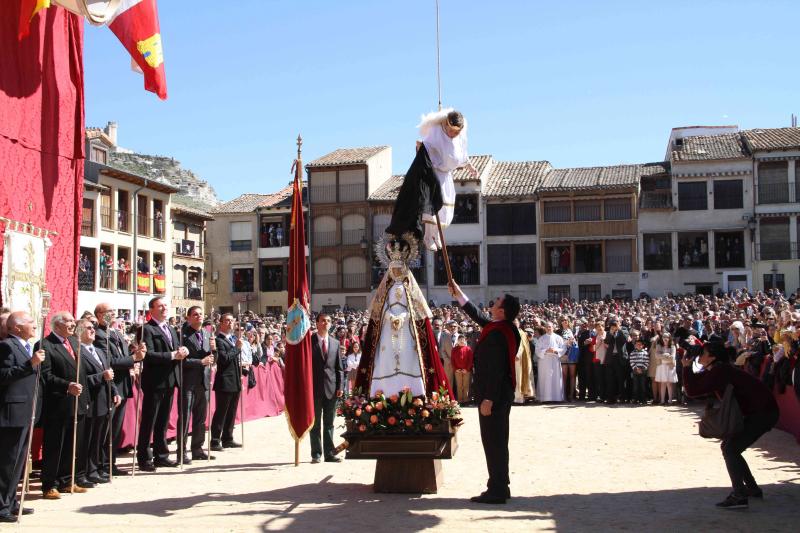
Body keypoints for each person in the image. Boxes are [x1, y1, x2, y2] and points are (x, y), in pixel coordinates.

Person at [682, 341, 780, 509]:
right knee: (730, 446)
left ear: (712, 357)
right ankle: (751, 489)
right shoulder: (719, 369)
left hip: (762, 413)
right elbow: (696, 385)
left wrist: (685, 367)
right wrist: (688, 366)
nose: (699, 356)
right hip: (761, 411)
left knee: (730, 448)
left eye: (702, 353)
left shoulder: (720, 370)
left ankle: (740, 495)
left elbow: (692, 390)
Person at [449, 280, 520, 504]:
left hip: (494, 397)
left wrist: (489, 397)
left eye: (497, 301)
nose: (494, 302)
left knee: (494, 442)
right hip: (498, 395)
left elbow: (496, 369)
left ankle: (497, 490)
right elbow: (477, 315)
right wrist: (458, 293)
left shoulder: (500, 333)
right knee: (497, 441)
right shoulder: (502, 328)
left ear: (502, 310)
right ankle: (500, 485)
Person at [39, 312, 91, 497]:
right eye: (69, 321)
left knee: (72, 444)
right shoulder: (46, 344)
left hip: (77, 402)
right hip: (58, 404)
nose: (72, 324)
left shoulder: (74, 343)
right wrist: (67, 386)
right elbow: (46, 375)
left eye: (72, 321)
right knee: (55, 445)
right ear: (58, 325)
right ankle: (49, 484)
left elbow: (82, 373)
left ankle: (67, 480)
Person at [0, 312, 45, 522]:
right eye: (29, 322)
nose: (34, 325)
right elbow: (4, 376)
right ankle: (2, 505)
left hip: (27, 411)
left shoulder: (27, 346)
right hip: (12, 413)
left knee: (19, 462)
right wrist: (30, 364)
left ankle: (12, 501)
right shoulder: (7, 346)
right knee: (8, 461)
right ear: (17, 328)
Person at [93, 303, 145, 476]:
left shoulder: (115, 332)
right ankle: (101, 464)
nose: (113, 314)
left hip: (123, 384)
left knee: (115, 429)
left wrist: (135, 355)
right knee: (106, 428)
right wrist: (133, 358)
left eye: (113, 311)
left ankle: (110, 462)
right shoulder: (99, 335)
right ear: (99, 315)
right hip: (111, 385)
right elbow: (108, 362)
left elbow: (122, 356)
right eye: (109, 312)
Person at [137, 297, 188, 471]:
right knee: (149, 420)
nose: (164, 308)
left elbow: (177, 348)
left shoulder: (171, 329)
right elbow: (148, 355)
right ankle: (144, 457)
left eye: (166, 305)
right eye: (160, 306)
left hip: (170, 379)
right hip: (154, 380)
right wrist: (173, 355)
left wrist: (183, 351)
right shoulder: (146, 329)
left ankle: (162, 454)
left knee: (163, 420)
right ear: (151, 310)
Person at [416, 109, 478, 250]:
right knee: (435, 205)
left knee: (445, 206)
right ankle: (428, 237)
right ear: (446, 124)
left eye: (456, 132)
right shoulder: (436, 132)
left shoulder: (460, 138)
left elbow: (462, 156)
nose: (452, 134)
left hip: (447, 176)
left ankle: (436, 235)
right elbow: (425, 147)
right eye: (451, 130)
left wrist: (471, 168)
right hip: (434, 173)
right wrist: (420, 148)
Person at [76, 319, 119, 485]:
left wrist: (115, 391)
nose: (93, 330)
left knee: (98, 438)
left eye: (93, 327)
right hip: (89, 400)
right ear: (79, 331)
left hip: (104, 399)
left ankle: (94, 469)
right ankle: (83, 471)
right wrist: (100, 377)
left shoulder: (100, 351)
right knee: (87, 438)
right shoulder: (78, 351)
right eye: (88, 328)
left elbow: (109, 372)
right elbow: (81, 378)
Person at [180, 306, 215, 461]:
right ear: (188, 317)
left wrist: (215, 350)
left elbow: (213, 358)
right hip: (188, 381)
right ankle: (182, 451)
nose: (199, 317)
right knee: (185, 417)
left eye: (201, 314)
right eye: (195, 315)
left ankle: (197, 448)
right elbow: (181, 360)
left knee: (200, 419)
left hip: (204, 381)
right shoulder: (182, 335)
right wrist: (200, 361)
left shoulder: (208, 334)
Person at [310, 313, 344, 464]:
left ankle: (330, 454)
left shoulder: (335, 343)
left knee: (329, 423)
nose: (326, 323)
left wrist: (340, 386)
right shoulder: (308, 342)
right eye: (323, 321)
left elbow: (339, 368)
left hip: (332, 389)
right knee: (315, 424)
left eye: (328, 321)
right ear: (317, 323)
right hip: (314, 389)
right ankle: (316, 454)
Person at [211, 314, 243, 451]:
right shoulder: (218, 340)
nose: (230, 323)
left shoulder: (232, 339)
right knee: (221, 412)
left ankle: (228, 438)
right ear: (221, 323)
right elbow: (224, 359)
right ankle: (215, 440)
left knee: (232, 412)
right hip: (224, 381)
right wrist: (237, 348)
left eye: (232, 321)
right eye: (227, 321)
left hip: (235, 380)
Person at [536, 322, 565, 402]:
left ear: (553, 327)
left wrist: (555, 351)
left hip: (555, 361)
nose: (548, 328)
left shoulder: (558, 338)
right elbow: (537, 350)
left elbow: (563, 348)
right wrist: (546, 350)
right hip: (544, 362)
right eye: (547, 327)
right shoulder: (541, 338)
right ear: (545, 328)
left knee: (555, 378)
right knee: (545, 378)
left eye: (550, 327)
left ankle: (556, 398)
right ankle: (545, 398)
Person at [434, 319, 455, 398]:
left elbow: (449, 349)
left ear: (442, 326)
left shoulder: (447, 335)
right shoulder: (430, 335)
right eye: (435, 325)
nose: (437, 326)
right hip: (435, 361)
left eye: (439, 325)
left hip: (445, 361)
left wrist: (449, 361)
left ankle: (448, 397)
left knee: (448, 379)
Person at [451, 335, 474, 404]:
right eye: (460, 339)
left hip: (466, 371)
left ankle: (466, 400)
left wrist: (467, 369)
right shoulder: (454, 349)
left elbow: (470, 360)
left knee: (466, 385)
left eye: (463, 339)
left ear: (465, 340)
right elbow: (452, 360)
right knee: (459, 385)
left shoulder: (468, 349)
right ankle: (460, 400)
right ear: (457, 341)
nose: (461, 341)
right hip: (457, 371)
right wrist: (456, 369)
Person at [628, 339, 649, 404]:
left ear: (643, 345)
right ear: (635, 345)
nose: (639, 346)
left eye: (640, 345)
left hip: (643, 371)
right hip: (635, 371)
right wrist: (636, 368)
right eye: (637, 344)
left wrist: (642, 369)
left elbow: (647, 362)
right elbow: (631, 361)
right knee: (635, 386)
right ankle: (635, 399)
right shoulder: (633, 353)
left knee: (643, 386)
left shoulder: (645, 353)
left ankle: (643, 399)